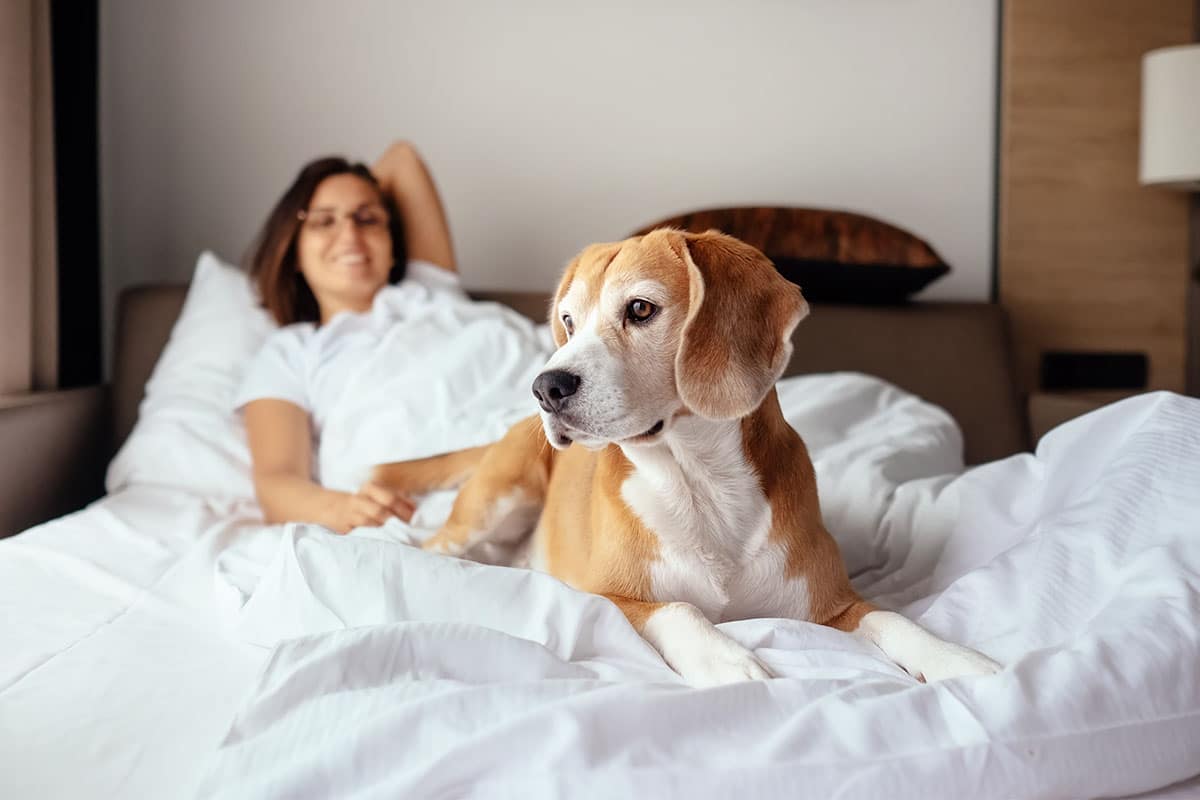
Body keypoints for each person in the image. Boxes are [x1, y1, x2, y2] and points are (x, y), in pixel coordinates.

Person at [236, 141, 456, 533]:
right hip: (418, 500)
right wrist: (345, 509)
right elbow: (276, 481)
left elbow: (402, 158)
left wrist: (348, 195)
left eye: (367, 219)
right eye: (324, 222)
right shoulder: (292, 351)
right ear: (294, 251)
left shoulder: (432, 294)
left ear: (393, 246)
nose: (350, 233)